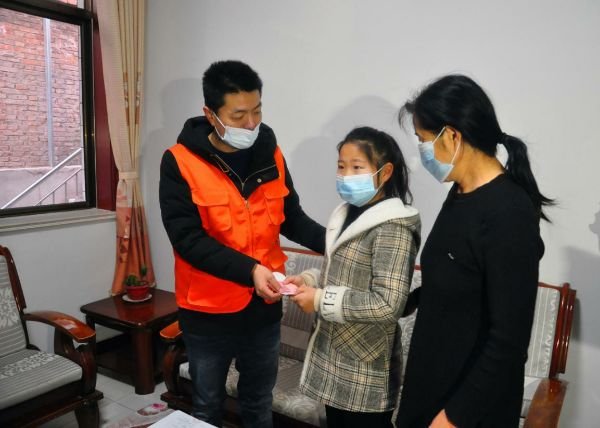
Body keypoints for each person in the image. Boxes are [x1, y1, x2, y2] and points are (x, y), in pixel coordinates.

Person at [159, 60, 325, 428]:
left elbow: (292, 217)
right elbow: (187, 240)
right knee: (207, 405)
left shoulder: (271, 153)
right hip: (207, 310)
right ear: (211, 114)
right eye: (238, 115)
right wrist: (250, 270)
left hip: (263, 307)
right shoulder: (179, 162)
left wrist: (336, 240)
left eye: (257, 111)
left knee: (258, 403)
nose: (251, 123)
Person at [395, 74, 553, 428]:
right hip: (431, 385)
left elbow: (509, 341)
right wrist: (397, 302)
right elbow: (457, 282)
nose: (420, 152)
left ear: (452, 136)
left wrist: (454, 417)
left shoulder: (508, 212)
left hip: (468, 409)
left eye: (422, 140)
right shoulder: (461, 192)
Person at [284, 126, 421, 428]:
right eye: (341, 166)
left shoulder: (394, 226)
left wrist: (320, 300)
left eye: (357, 167)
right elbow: (344, 272)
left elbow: (388, 304)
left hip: (366, 369)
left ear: (386, 172)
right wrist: (309, 281)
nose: (346, 175)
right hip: (334, 361)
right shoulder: (347, 213)